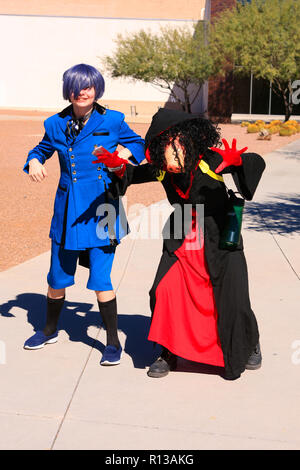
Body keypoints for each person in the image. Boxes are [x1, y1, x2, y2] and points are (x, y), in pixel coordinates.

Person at [92, 108, 265, 380]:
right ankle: (167, 350)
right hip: (182, 230)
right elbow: (131, 176)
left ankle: (249, 341)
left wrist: (239, 164)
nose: (173, 156)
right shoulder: (162, 169)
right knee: (164, 290)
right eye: (166, 150)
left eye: (177, 147)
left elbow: (254, 163)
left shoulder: (210, 159)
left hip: (219, 228)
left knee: (232, 295)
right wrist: (116, 166)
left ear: (189, 140)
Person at [23, 63, 145, 365]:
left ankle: (113, 342)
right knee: (57, 277)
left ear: (96, 89)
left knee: (102, 279)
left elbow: (139, 145)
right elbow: (40, 150)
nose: (83, 92)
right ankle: (49, 329)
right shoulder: (54, 123)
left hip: (102, 208)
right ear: (69, 91)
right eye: (77, 87)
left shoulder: (113, 120)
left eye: (89, 86)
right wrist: (34, 161)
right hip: (66, 211)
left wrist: (125, 155)